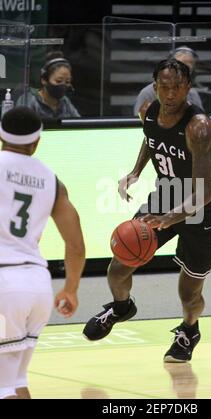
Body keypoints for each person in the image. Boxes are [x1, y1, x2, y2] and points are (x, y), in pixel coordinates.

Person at [83, 59, 211, 363]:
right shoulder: (148, 110)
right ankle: (121, 307)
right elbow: (151, 140)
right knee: (120, 265)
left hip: (200, 206)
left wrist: (169, 218)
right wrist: (135, 171)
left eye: (177, 87)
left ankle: (189, 330)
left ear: (187, 87)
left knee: (190, 290)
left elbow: (205, 191)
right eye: (164, 86)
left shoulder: (199, 127)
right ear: (154, 86)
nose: (170, 93)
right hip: (167, 194)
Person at [0, 107, 85, 399]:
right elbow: (75, 244)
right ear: (37, 141)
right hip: (37, 287)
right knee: (15, 381)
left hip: (3, 284)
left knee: (3, 388)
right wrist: (71, 289)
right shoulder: (51, 180)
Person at [133, 46, 204, 116]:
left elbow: (200, 119)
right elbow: (138, 123)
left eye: (188, 69)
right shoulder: (148, 93)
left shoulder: (192, 94)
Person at [16, 52, 80, 119]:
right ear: (44, 80)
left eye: (67, 82)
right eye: (58, 81)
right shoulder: (29, 101)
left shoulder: (65, 101)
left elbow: (78, 122)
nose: (63, 85)